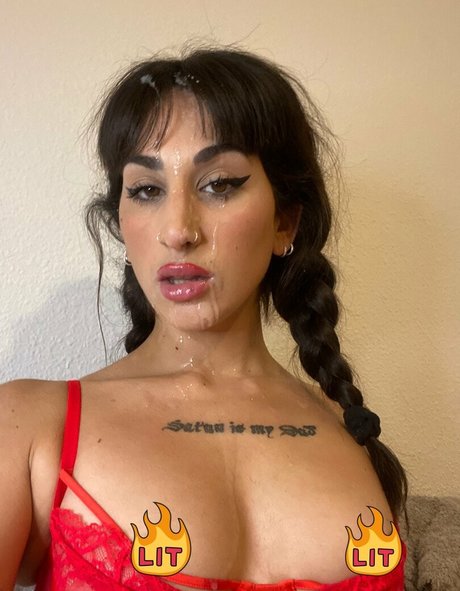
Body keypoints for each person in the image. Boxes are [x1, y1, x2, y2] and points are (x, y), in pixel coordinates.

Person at [0, 46, 407, 590]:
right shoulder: (27, 425)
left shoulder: (349, 429)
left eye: (218, 184)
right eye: (146, 190)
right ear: (121, 222)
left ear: (285, 222)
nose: (178, 230)